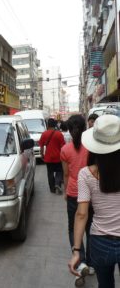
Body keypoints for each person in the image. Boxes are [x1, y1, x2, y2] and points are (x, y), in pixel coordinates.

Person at [68, 114, 120, 288]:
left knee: (105, 285)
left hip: (100, 241)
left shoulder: (86, 174)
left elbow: (82, 214)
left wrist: (76, 251)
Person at [61, 115, 93, 287]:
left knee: (73, 227)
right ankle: (91, 263)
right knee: (90, 227)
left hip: (74, 192)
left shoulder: (65, 150)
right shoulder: (90, 147)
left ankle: (79, 262)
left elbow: (66, 174)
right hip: (91, 192)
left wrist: (66, 192)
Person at [39, 118, 65, 194]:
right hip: (58, 157)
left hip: (48, 158)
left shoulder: (44, 134)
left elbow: (41, 146)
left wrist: (42, 155)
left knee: (50, 173)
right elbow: (63, 147)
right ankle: (57, 184)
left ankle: (52, 189)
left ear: (47, 125)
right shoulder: (59, 134)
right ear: (55, 125)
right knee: (59, 172)